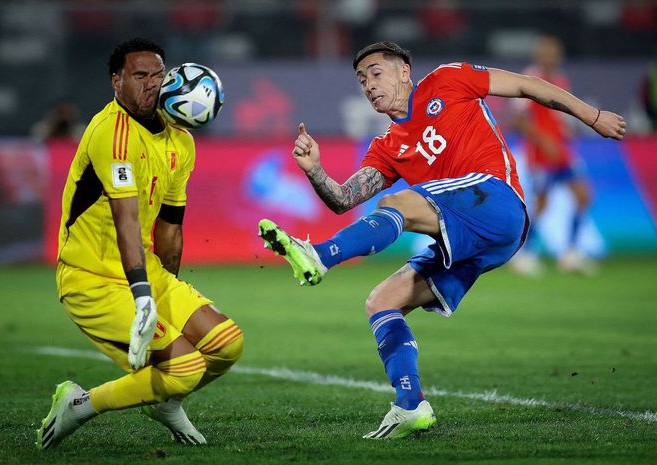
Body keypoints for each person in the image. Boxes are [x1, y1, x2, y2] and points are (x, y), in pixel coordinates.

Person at [258, 41, 625, 439]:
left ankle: (319, 255)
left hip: (498, 199)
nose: (368, 85)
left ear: (403, 71)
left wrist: (593, 116)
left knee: (399, 201)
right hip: (477, 237)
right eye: (362, 79)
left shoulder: (448, 80)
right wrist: (314, 171)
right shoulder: (387, 147)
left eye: (376, 73)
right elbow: (344, 199)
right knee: (382, 301)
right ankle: (410, 404)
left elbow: (527, 86)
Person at [36, 38, 244, 449]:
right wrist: (144, 298)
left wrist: (167, 291)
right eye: (140, 75)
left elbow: (170, 226)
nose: (152, 84)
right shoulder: (111, 134)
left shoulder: (180, 140)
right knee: (183, 368)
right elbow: (127, 220)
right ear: (117, 82)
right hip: (91, 279)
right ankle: (79, 403)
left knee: (226, 345)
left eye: (158, 75)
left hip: (143, 270)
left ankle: (164, 402)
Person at [509, 35, 596, 275]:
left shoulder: (560, 80)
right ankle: (523, 255)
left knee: (583, 196)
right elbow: (517, 119)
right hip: (540, 155)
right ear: (539, 55)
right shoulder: (529, 79)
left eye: (555, 52)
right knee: (542, 204)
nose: (551, 56)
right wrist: (542, 139)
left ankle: (570, 253)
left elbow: (559, 116)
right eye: (547, 52)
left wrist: (568, 129)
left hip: (563, 152)